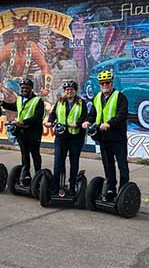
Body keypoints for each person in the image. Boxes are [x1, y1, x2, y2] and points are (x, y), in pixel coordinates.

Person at [82, 70, 129, 201]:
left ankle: (123, 191)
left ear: (112, 82)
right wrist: (87, 121)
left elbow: (122, 115)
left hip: (117, 138)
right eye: (102, 83)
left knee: (122, 165)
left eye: (107, 82)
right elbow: (93, 113)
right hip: (103, 138)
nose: (105, 85)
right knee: (108, 165)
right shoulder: (97, 97)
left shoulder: (120, 97)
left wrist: (109, 123)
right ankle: (110, 188)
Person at [0, 12, 52, 96]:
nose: (20, 38)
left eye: (23, 35)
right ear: (13, 36)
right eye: (17, 35)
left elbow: (44, 66)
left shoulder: (32, 47)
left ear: (27, 35)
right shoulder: (8, 48)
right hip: (9, 84)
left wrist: (46, 88)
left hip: (25, 84)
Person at [44, 80, 87, 195]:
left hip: (76, 137)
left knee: (74, 162)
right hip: (61, 136)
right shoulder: (60, 102)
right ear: (64, 91)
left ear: (75, 91)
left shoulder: (82, 103)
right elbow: (53, 114)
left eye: (71, 89)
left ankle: (72, 186)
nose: (69, 91)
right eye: (67, 90)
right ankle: (56, 186)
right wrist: (50, 121)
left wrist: (78, 124)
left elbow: (84, 116)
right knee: (58, 161)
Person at [0, 78, 44, 185]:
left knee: (35, 154)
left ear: (31, 88)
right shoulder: (19, 98)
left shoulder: (38, 100)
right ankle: (26, 173)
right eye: (23, 88)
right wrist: (3, 104)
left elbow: (38, 117)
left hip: (34, 131)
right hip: (21, 132)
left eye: (26, 88)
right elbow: (15, 107)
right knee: (24, 154)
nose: (24, 89)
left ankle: (38, 175)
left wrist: (23, 122)